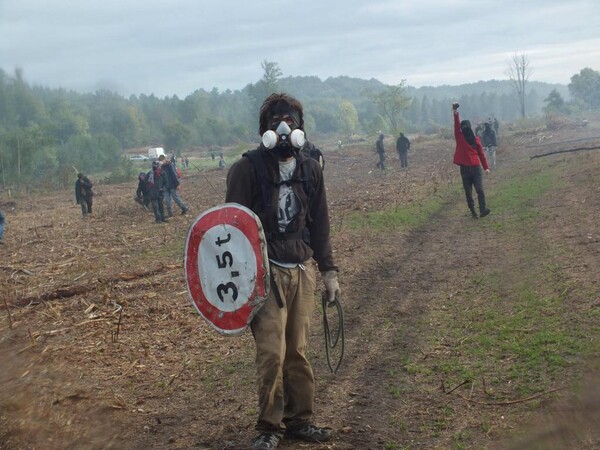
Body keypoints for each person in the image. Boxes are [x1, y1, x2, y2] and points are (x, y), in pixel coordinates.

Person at [226, 93, 340, 450]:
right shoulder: (246, 170)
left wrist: (329, 272)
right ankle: (269, 427)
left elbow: (319, 223)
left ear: (300, 128)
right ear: (266, 131)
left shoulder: (311, 169)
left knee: (297, 351)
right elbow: (230, 229)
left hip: (301, 271)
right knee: (272, 353)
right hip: (265, 275)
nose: (285, 126)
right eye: (277, 121)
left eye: (291, 120)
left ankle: (300, 420)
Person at [452, 103, 491, 219]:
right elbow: (456, 125)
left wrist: (486, 167)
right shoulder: (460, 137)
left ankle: (482, 210)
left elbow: (481, 155)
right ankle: (474, 211)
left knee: (478, 190)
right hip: (468, 169)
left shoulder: (475, 140)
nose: (465, 129)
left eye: (466, 127)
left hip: (474, 168)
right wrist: (455, 112)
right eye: (463, 127)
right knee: (470, 192)